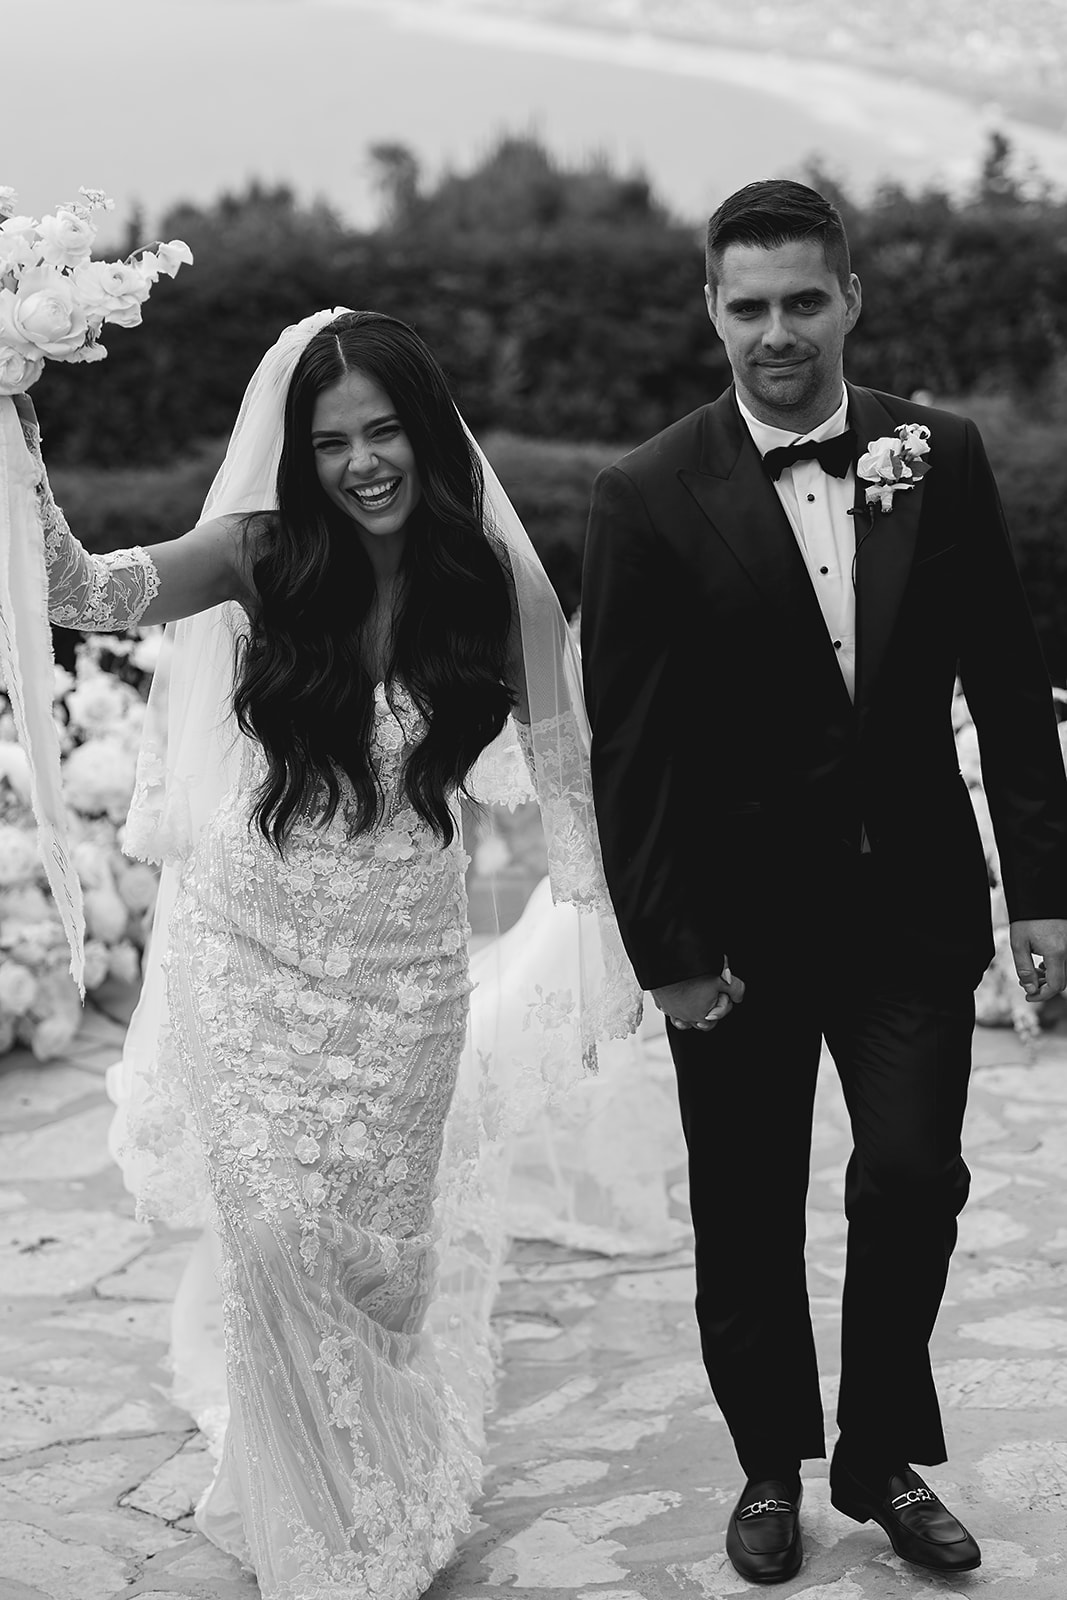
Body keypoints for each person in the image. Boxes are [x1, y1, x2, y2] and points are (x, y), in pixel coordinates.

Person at [14, 309, 639, 1599]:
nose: (363, 462)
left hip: (400, 979)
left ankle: (366, 1474)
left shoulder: (494, 586)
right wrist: (15, 416)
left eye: (384, 431)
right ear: (296, 456)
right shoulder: (258, 553)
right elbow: (79, 588)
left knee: (373, 1268)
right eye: (333, 440)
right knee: (277, 1242)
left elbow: (572, 782)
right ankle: (324, 1552)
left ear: (428, 433)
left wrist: (616, 937)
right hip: (244, 958)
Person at [580, 180, 1067, 1586]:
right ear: (711, 312)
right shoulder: (645, 495)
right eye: (749, 306)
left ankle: (878, 1453)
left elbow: (1008, 686)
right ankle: (768, 1467)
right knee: (744, 1207)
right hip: (733, 930)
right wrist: (665, 943)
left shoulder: (941, 453)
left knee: (914, 1176)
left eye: (804, 300)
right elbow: (636, 749)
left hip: (910, 902)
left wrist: (1043, 886)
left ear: (850, 298)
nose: (777, 331)